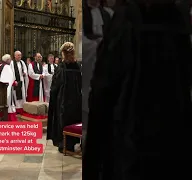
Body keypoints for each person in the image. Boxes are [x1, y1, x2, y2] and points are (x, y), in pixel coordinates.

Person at [83, 1, 192, 180]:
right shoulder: (177, 19)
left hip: (131, 138)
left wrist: (93, 160)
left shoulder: (126, 20)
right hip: (171, 140)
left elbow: (104, 90)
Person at [47, 42, 82, 153]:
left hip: (63, 100)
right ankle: (72, 143)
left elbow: (55, 86)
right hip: (76, 100)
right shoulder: (77, 66)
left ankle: (63, 144)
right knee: (74, 120)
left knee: (63, 121)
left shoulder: (61, 67)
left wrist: (52, 96)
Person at [0, 54, 17, 121]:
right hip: (5, 90)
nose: (11, 60)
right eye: (10, 59)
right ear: (7, 60)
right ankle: (9, 120)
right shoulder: (7, 67)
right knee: (7, 105)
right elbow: (9, 80)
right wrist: (14, 83)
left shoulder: (0, 66)